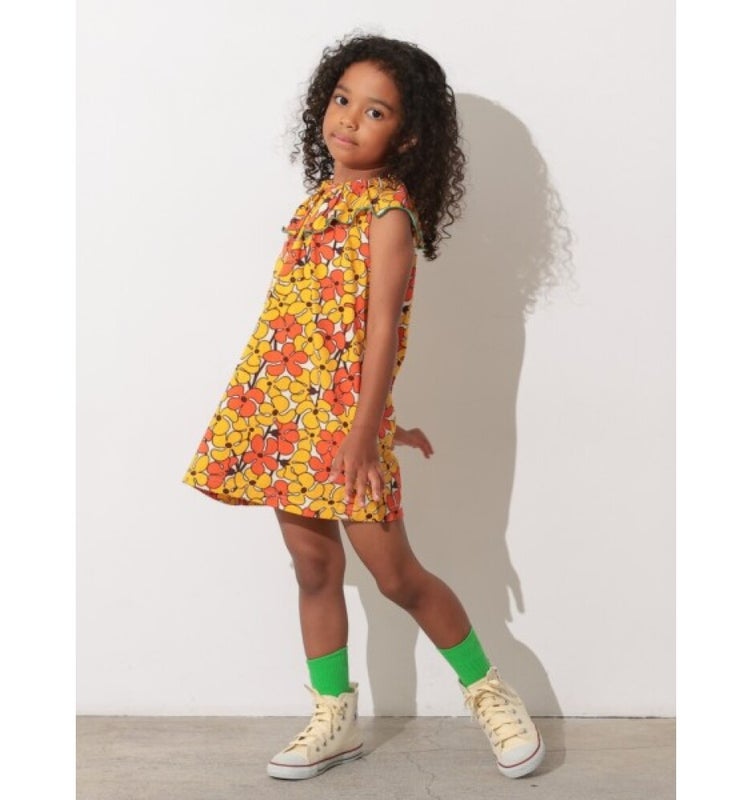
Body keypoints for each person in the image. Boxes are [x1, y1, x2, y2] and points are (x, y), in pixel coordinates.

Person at [183, 33, 545, 781]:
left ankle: (490, 691)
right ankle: (334, 717)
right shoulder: (318, 205)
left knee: (396, 576)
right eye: (343, 99)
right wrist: (358, 418)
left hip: (343, 430)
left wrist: (364, 432)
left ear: (406, 137)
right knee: (313, 569)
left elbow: (381, 329)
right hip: (285, 413)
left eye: (375, 111)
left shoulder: (388, 215)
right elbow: (309, 324)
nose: (349, 118)